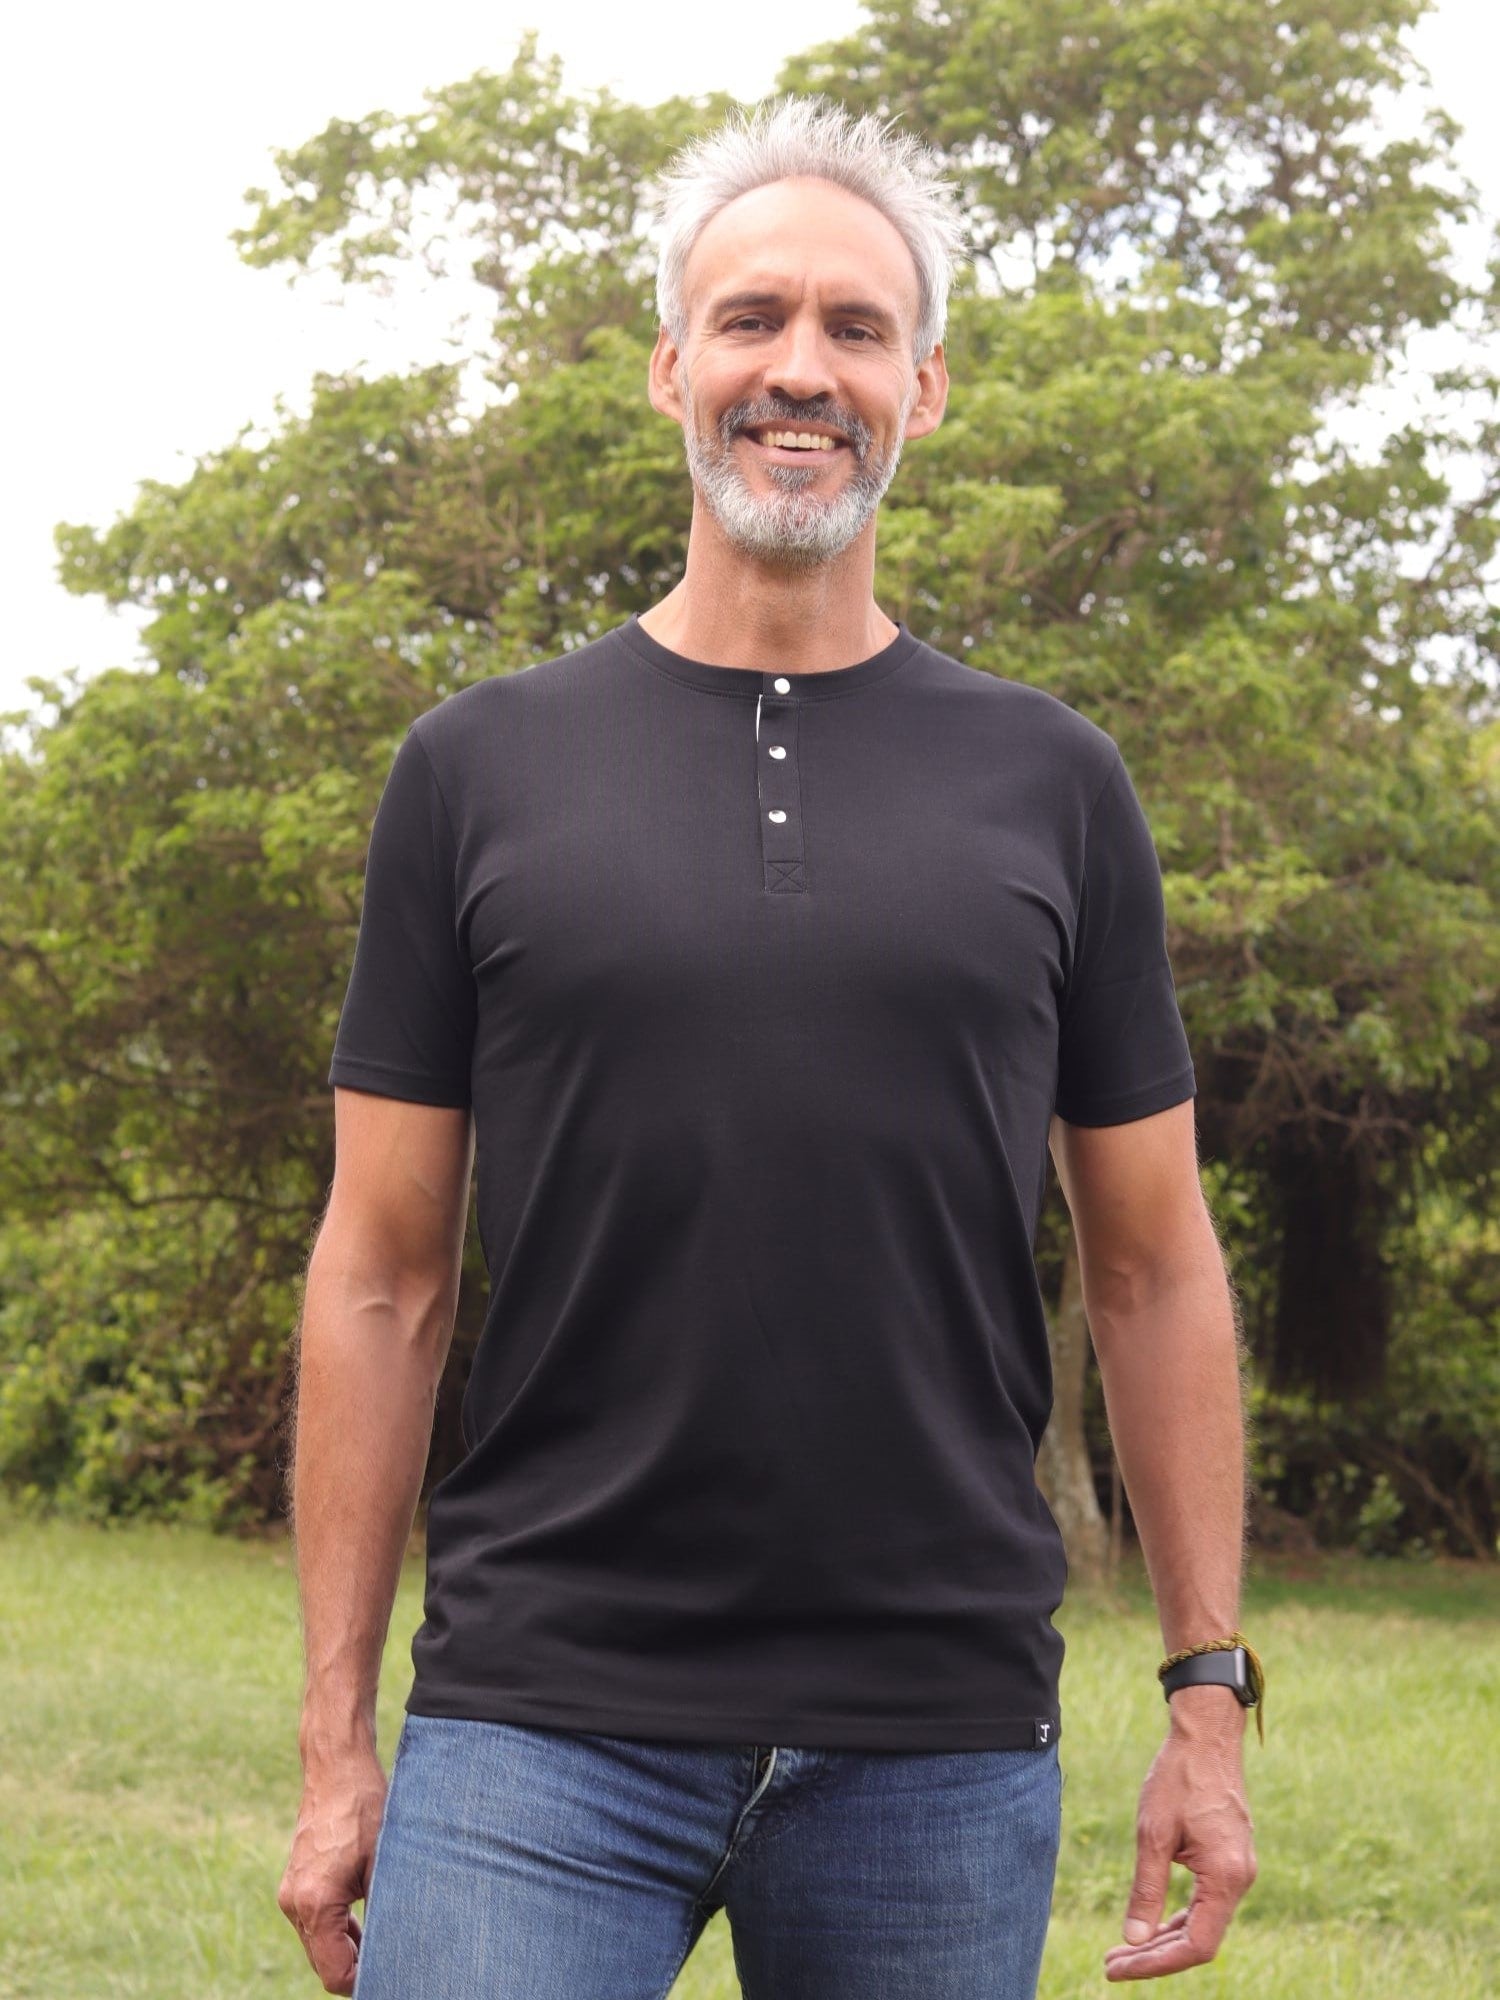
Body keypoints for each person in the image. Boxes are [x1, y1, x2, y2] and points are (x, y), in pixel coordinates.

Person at [277, 91, 1258, 2000]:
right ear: (670, 369)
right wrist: (336, 1743)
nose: (799, 369)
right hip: (536, 1722)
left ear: (926, 391)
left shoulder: (1054, 783)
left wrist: (1207, 1700)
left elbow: (1156, 1269)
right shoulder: (477, 771)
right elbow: (380, 1275)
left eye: (855, 329)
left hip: (939, 1738)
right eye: (751, 320)